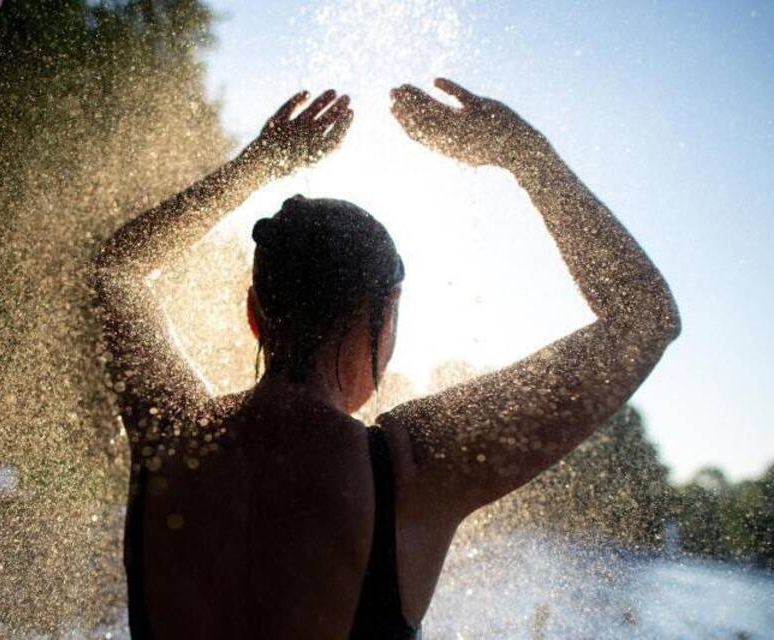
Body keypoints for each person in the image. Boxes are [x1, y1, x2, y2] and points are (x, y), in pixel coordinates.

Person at [93, 80, 680, 639]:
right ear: (387, 312)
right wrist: (523, 154)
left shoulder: (168, 432)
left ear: (254, 311)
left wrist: (259, 164)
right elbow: (645, 318)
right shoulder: (414, 465)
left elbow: (117, 270)